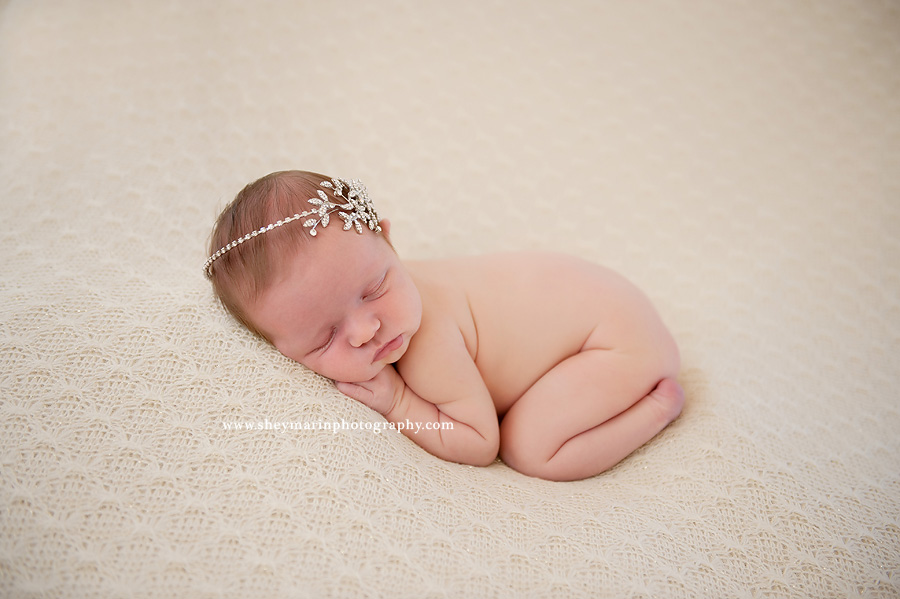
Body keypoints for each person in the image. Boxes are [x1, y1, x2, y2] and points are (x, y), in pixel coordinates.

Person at [205, 170, 684, 481]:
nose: (365, 330)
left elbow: (479, 442)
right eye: (325, 337)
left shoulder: (426, 340)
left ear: (389, 242)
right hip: (601, 307)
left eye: (374, 290)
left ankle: (657, 407)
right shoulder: (375, 283)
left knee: (529, 448)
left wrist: (398, 401)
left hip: (612, 343)